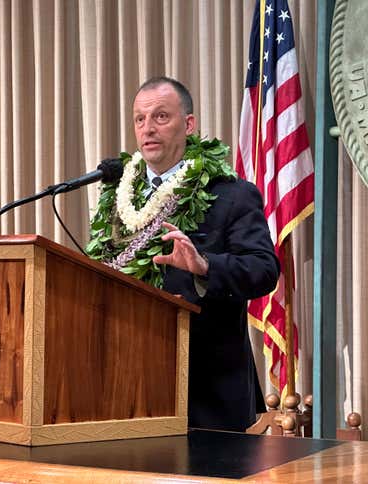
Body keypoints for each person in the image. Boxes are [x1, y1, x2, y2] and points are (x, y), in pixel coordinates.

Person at [91, 76, 280, 432]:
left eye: (161, 117)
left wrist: (205, 265)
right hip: (126, 387)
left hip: (208, 390)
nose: (148, 128)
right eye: (139, 119)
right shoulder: (119, 198)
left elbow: (264, 269)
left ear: (188, 124)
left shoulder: (232, 194)